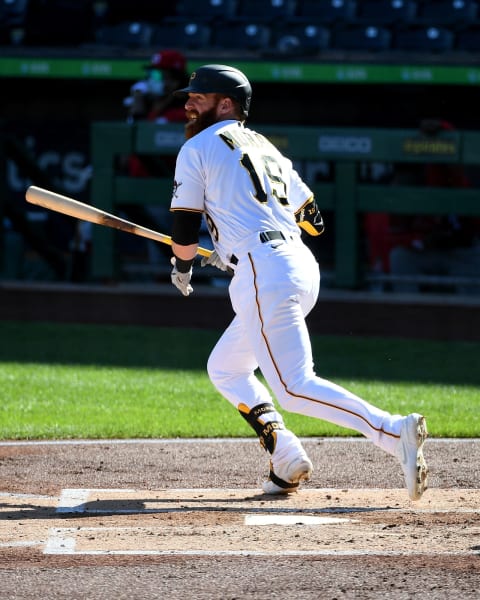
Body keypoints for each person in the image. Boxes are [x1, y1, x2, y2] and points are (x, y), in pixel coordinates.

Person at [168, 64, 428, 501]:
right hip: (298, 265)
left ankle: (392, 430)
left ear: (226, 104)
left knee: (292, 386)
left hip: (263, 270)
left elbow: (183, 230)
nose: (189, 102)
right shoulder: (264, 145)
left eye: (199, 96)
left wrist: (184, 265)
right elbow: (313, 219)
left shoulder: (196, 147)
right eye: (190, 95)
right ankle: (286, 456)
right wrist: (239, 236)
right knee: (227, 368)